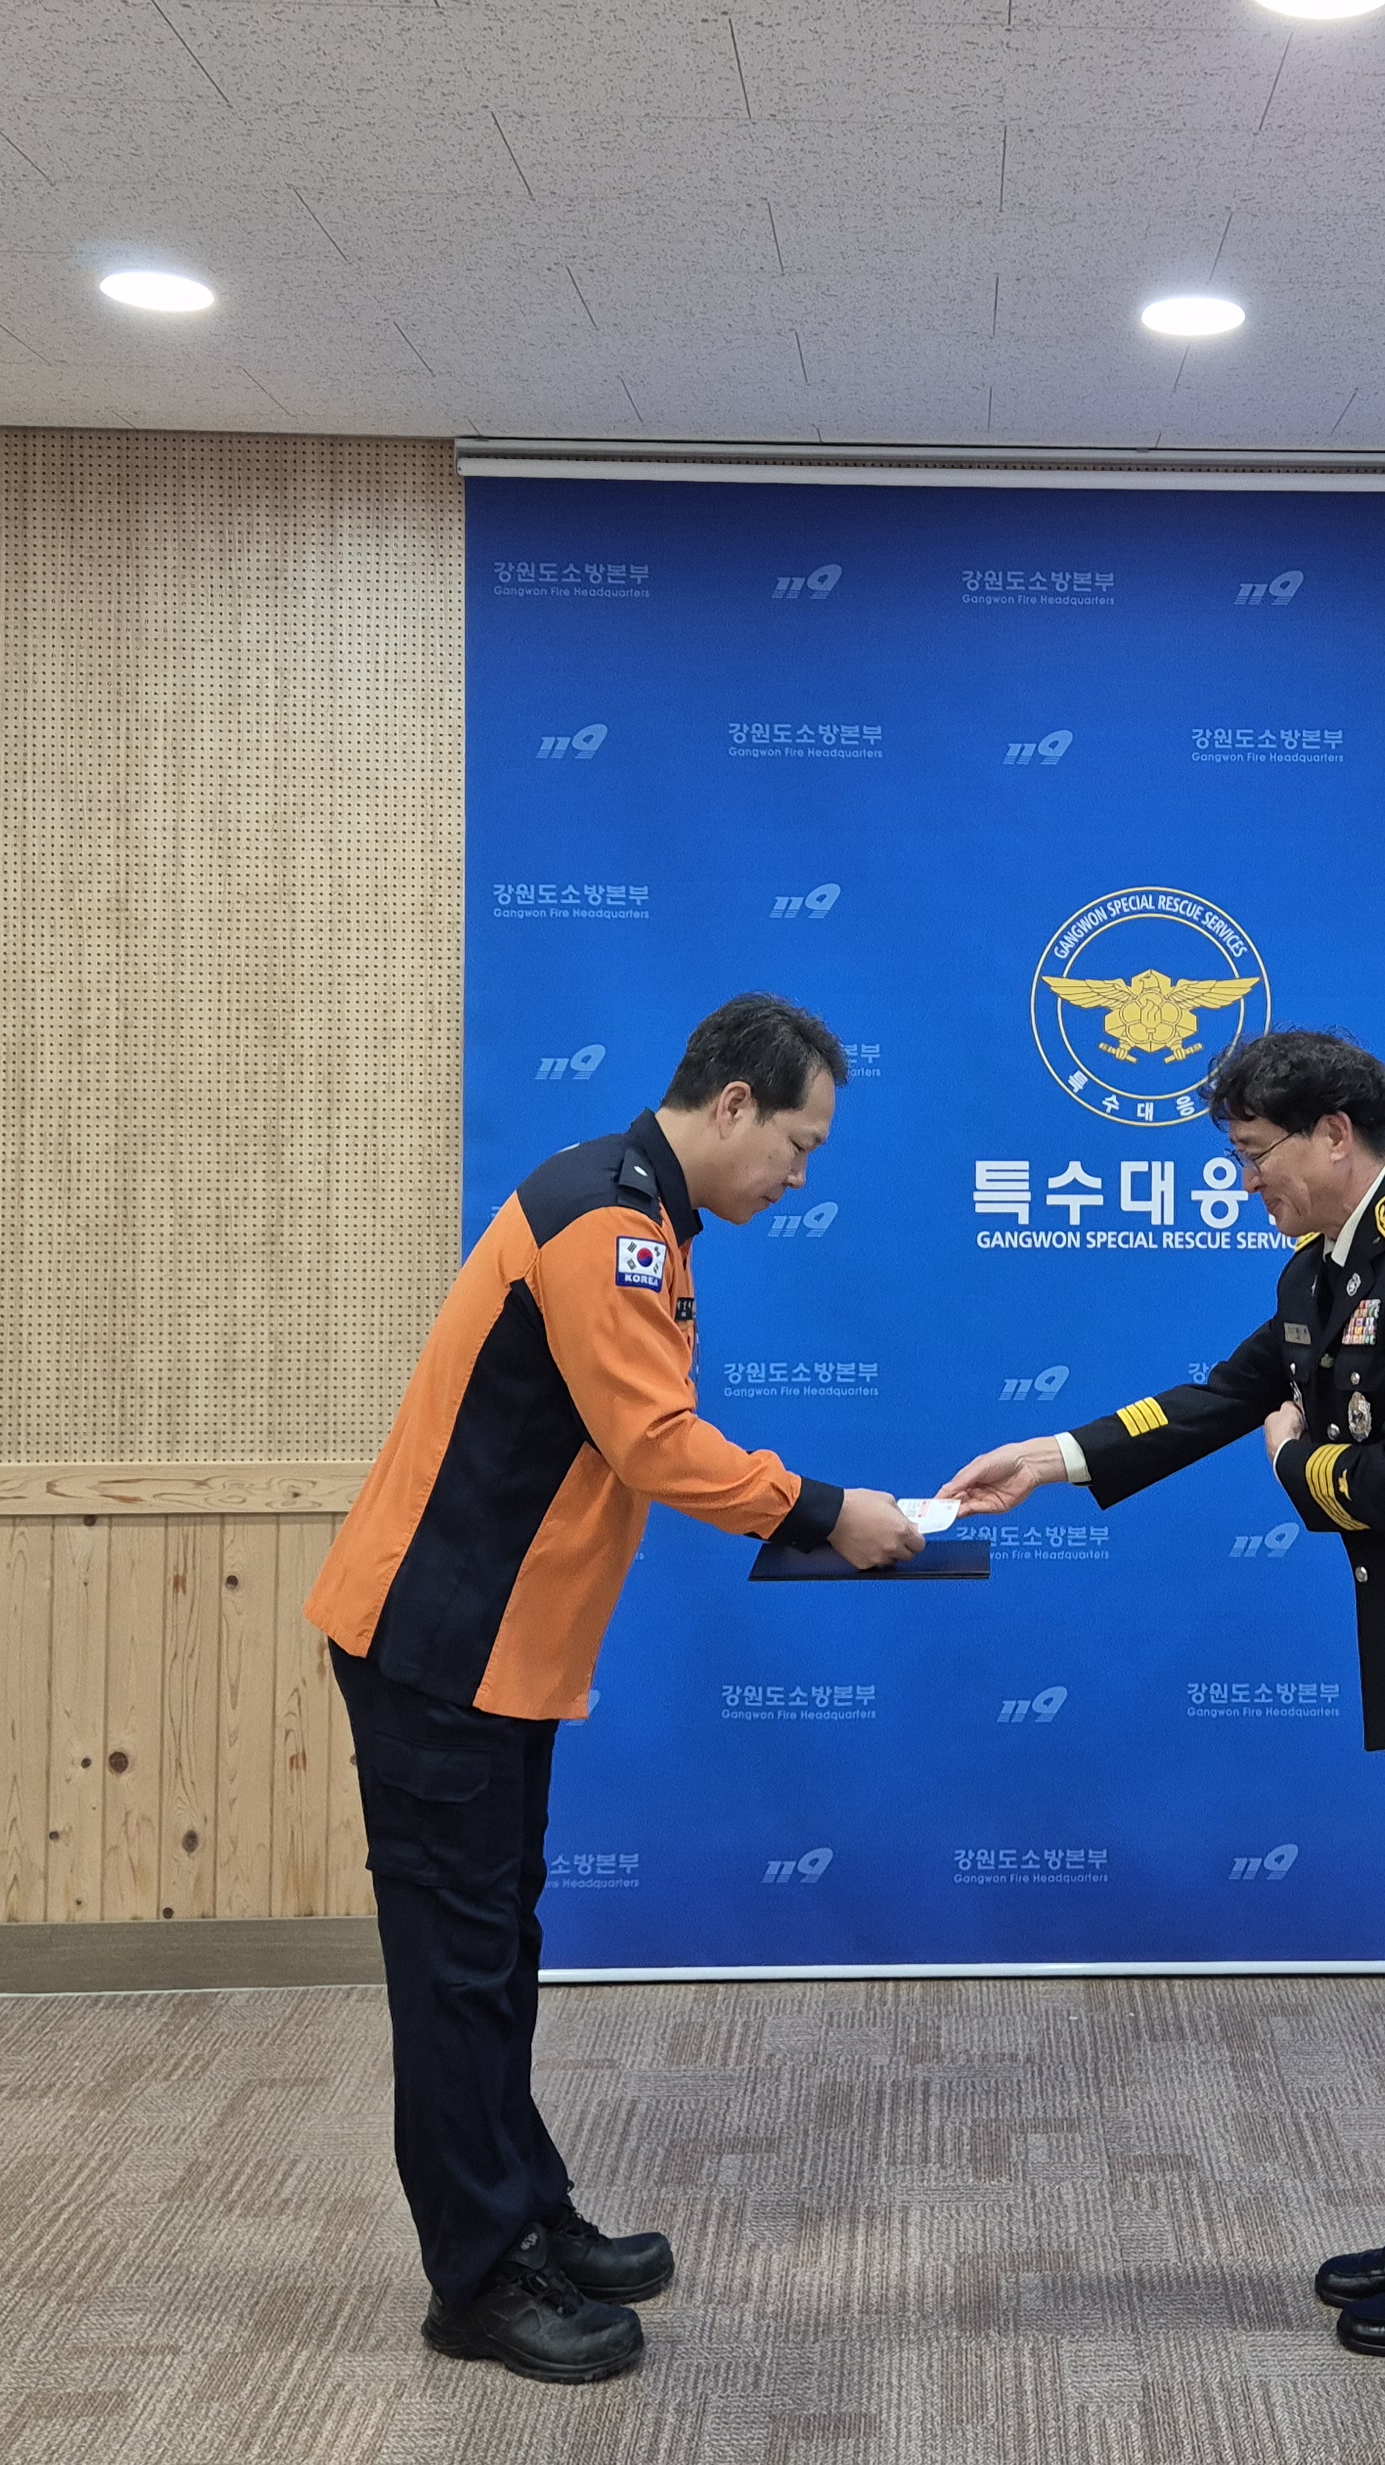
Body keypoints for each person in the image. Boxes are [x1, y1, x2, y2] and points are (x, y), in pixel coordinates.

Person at [942, 1028, 1385, 2360]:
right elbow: (1226, 1394)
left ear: (1335, 1136)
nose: (1243, 1181)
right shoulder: (1327, 1267)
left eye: (1254, 1156)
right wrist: (1058, 1456)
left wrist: (1294, 1467)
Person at [307, 993, 923, 2385]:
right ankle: (478, 2280)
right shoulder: (610, 1221)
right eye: (800, 1144)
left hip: (495, 1654)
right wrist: (826, 1511)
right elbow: (653, 1441)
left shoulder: (639, 1209)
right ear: (733, 1105)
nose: (802, 1176)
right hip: (439, 1648)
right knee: (458, 1970)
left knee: (495, 1952)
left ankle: (526, 2213)